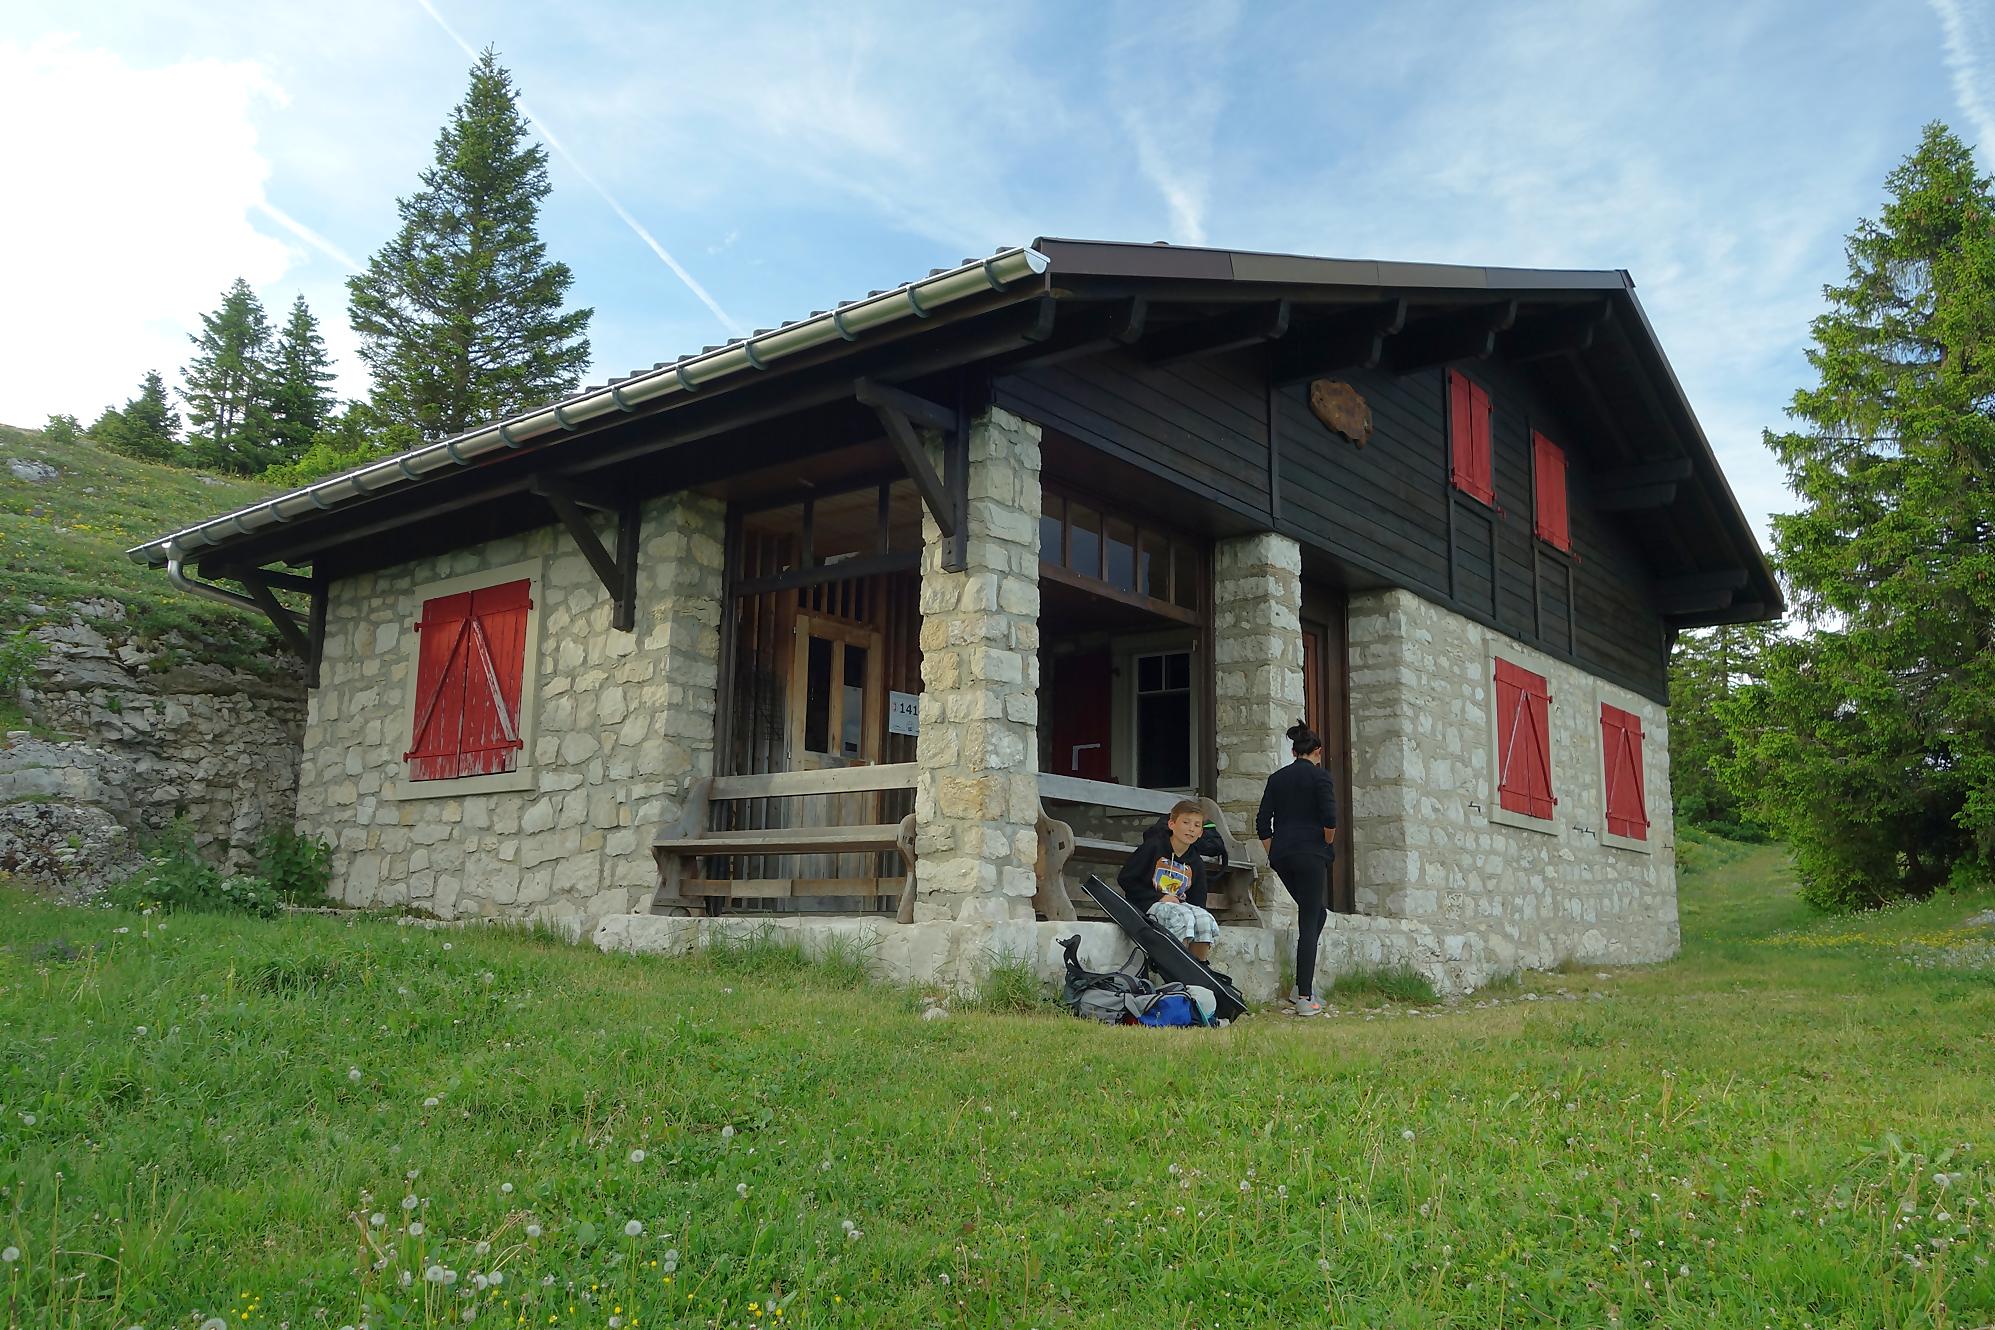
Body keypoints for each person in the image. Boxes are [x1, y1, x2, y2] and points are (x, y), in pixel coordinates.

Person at [1256, 721, 1338, 1016]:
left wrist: (1274, 851)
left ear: (1293, 751)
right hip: (1311, 854)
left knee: (1317, 913)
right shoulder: (1321, 778)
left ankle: (1299, 987)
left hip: (1283, 856)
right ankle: (1305, 996)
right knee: (1309, 919)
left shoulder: (1276, 779)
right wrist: (1326, 844)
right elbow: (1330, 819)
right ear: (1317, 751)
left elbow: (1262, 823)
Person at [1117, 798, 1219, 962]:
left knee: (1203, 918)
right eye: (1186, 822)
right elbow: (1126, 879)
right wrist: (1159, 897)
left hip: (1178, 906)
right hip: (1148, 904)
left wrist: (1197, 914)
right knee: (1182, 917)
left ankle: (1198, 971)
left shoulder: (1196, 862)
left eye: (1196, 825)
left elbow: (1198, 899)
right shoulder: (1153, 847)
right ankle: (1175, 970)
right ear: (1172, 824)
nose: (1191, 829)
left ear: (1201, 833)